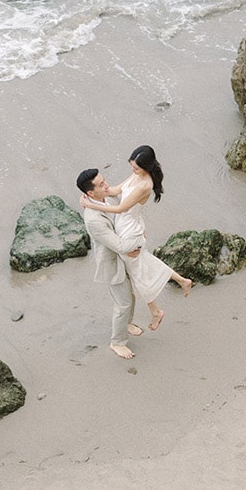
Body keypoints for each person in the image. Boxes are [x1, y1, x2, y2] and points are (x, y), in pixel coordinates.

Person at [80, 145, 192, 331]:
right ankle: (181, 282)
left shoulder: (145, 185)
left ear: (146, 167)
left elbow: (120, 209)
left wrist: (92, 206)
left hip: (128, 229)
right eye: (132, 167)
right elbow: (116, 190)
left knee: (137, 273)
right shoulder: (137, 175)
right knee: (143, 264)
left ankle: (157, 311)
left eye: (136, 168)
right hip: (129, 223)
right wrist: (88, 195)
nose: (133, 171)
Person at [76, 166, 144, 359]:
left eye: (104, 180)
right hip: (113, 263)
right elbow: (119, 245)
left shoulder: (107, 196)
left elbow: (124, 190)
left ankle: (127, 323)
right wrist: (138, 241)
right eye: (101, 184)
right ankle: (117, 342)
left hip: (127, 255)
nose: (107, 185)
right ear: (90, 192)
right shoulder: (93, 220)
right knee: (122, 303)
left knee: (131, 296)